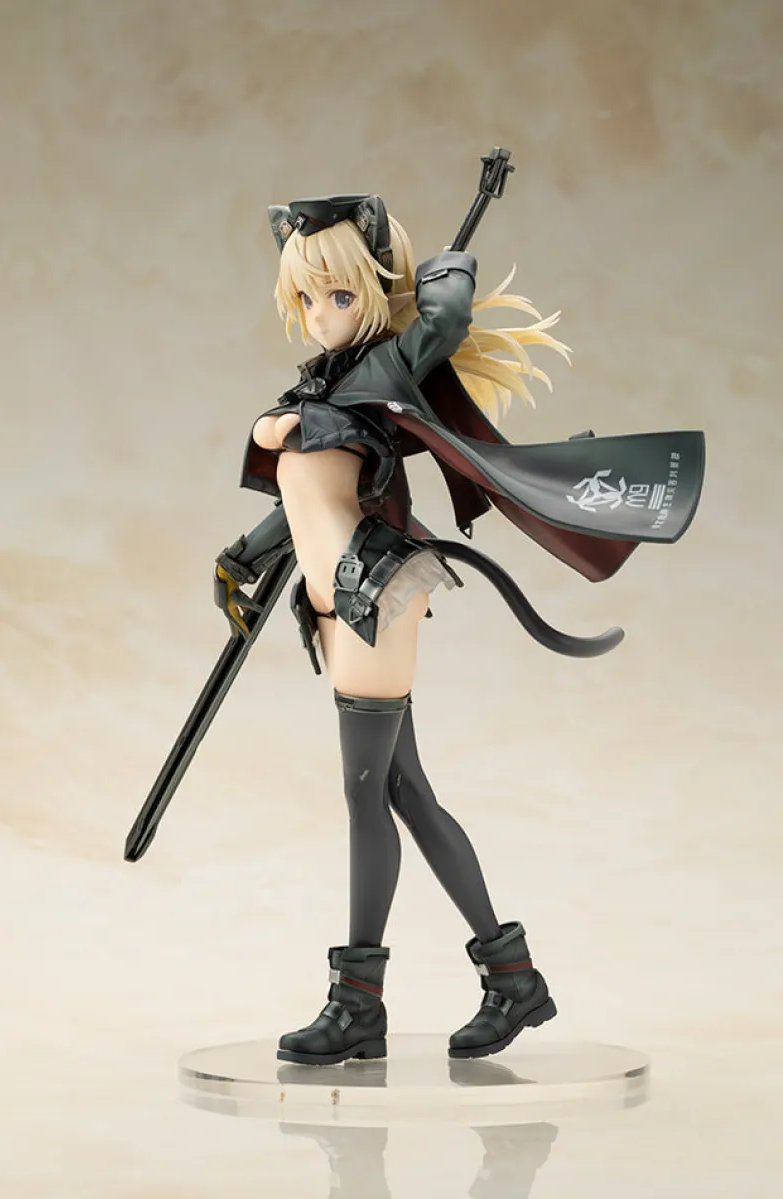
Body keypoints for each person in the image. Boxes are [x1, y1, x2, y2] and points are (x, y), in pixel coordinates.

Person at [214, 192, 704, 1065]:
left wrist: (438, 269)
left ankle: (358, 1003)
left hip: (376, 591)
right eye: (306, 297)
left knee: (368, 793)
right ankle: (512, 980)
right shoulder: (325, 383)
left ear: (376, 290)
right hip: (332, 604)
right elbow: (307, 498)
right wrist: (242, 557)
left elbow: (442, 319)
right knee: (405, 792)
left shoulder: (388, 363)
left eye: (339, 294)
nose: (319, 313)